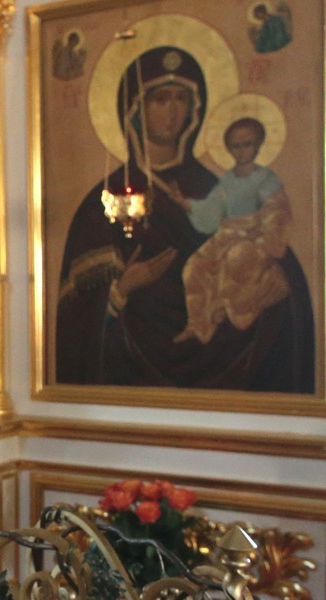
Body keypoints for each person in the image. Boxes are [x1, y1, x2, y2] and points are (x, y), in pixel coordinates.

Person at [54, 45, 313, 392]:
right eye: (160, 100)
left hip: (221, 356)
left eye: (181, 99)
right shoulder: (101, 200)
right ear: (136, 109)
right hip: (129, 375)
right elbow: (74, 317)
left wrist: (278, 280)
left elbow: (272, 259)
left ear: (195, 108)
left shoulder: (213, 188)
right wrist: (121, 290)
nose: (173, 111)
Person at [168, 116, 293, 344]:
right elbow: (211, 210)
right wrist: (183, 202)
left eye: (247, 144)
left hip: (255, 237)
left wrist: (264, 237)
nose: (242, 151)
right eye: (236, 146)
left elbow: (276, 211)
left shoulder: (265, 179)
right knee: (193, 267)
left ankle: (225, 311)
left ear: (258, 145)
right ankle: (197, 324)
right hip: (227, 235)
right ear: (229, 149)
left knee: (237, 259)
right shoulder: (227, 180)